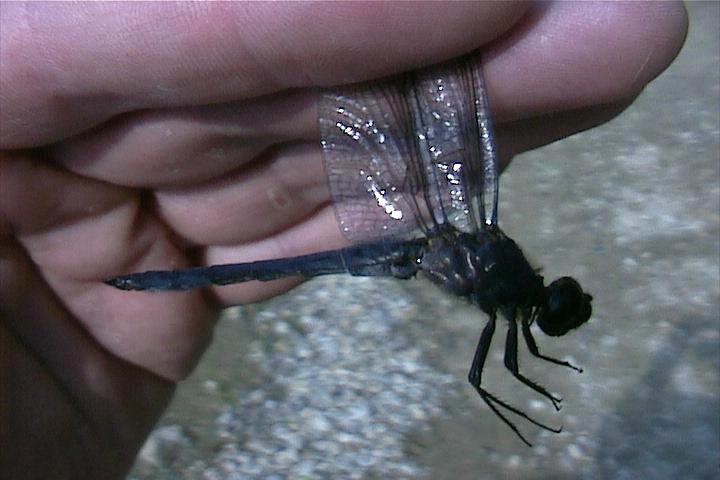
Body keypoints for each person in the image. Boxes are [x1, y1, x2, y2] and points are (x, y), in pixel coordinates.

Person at [0, 2, 688, 478]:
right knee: (484, 375)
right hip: (416, 248)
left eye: (560, 303)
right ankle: (148, 281)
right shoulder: (512, 299)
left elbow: (514, 359)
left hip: (426, 246)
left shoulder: (504, 275)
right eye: (559, 306)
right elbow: (502, 367)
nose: (556, 305)